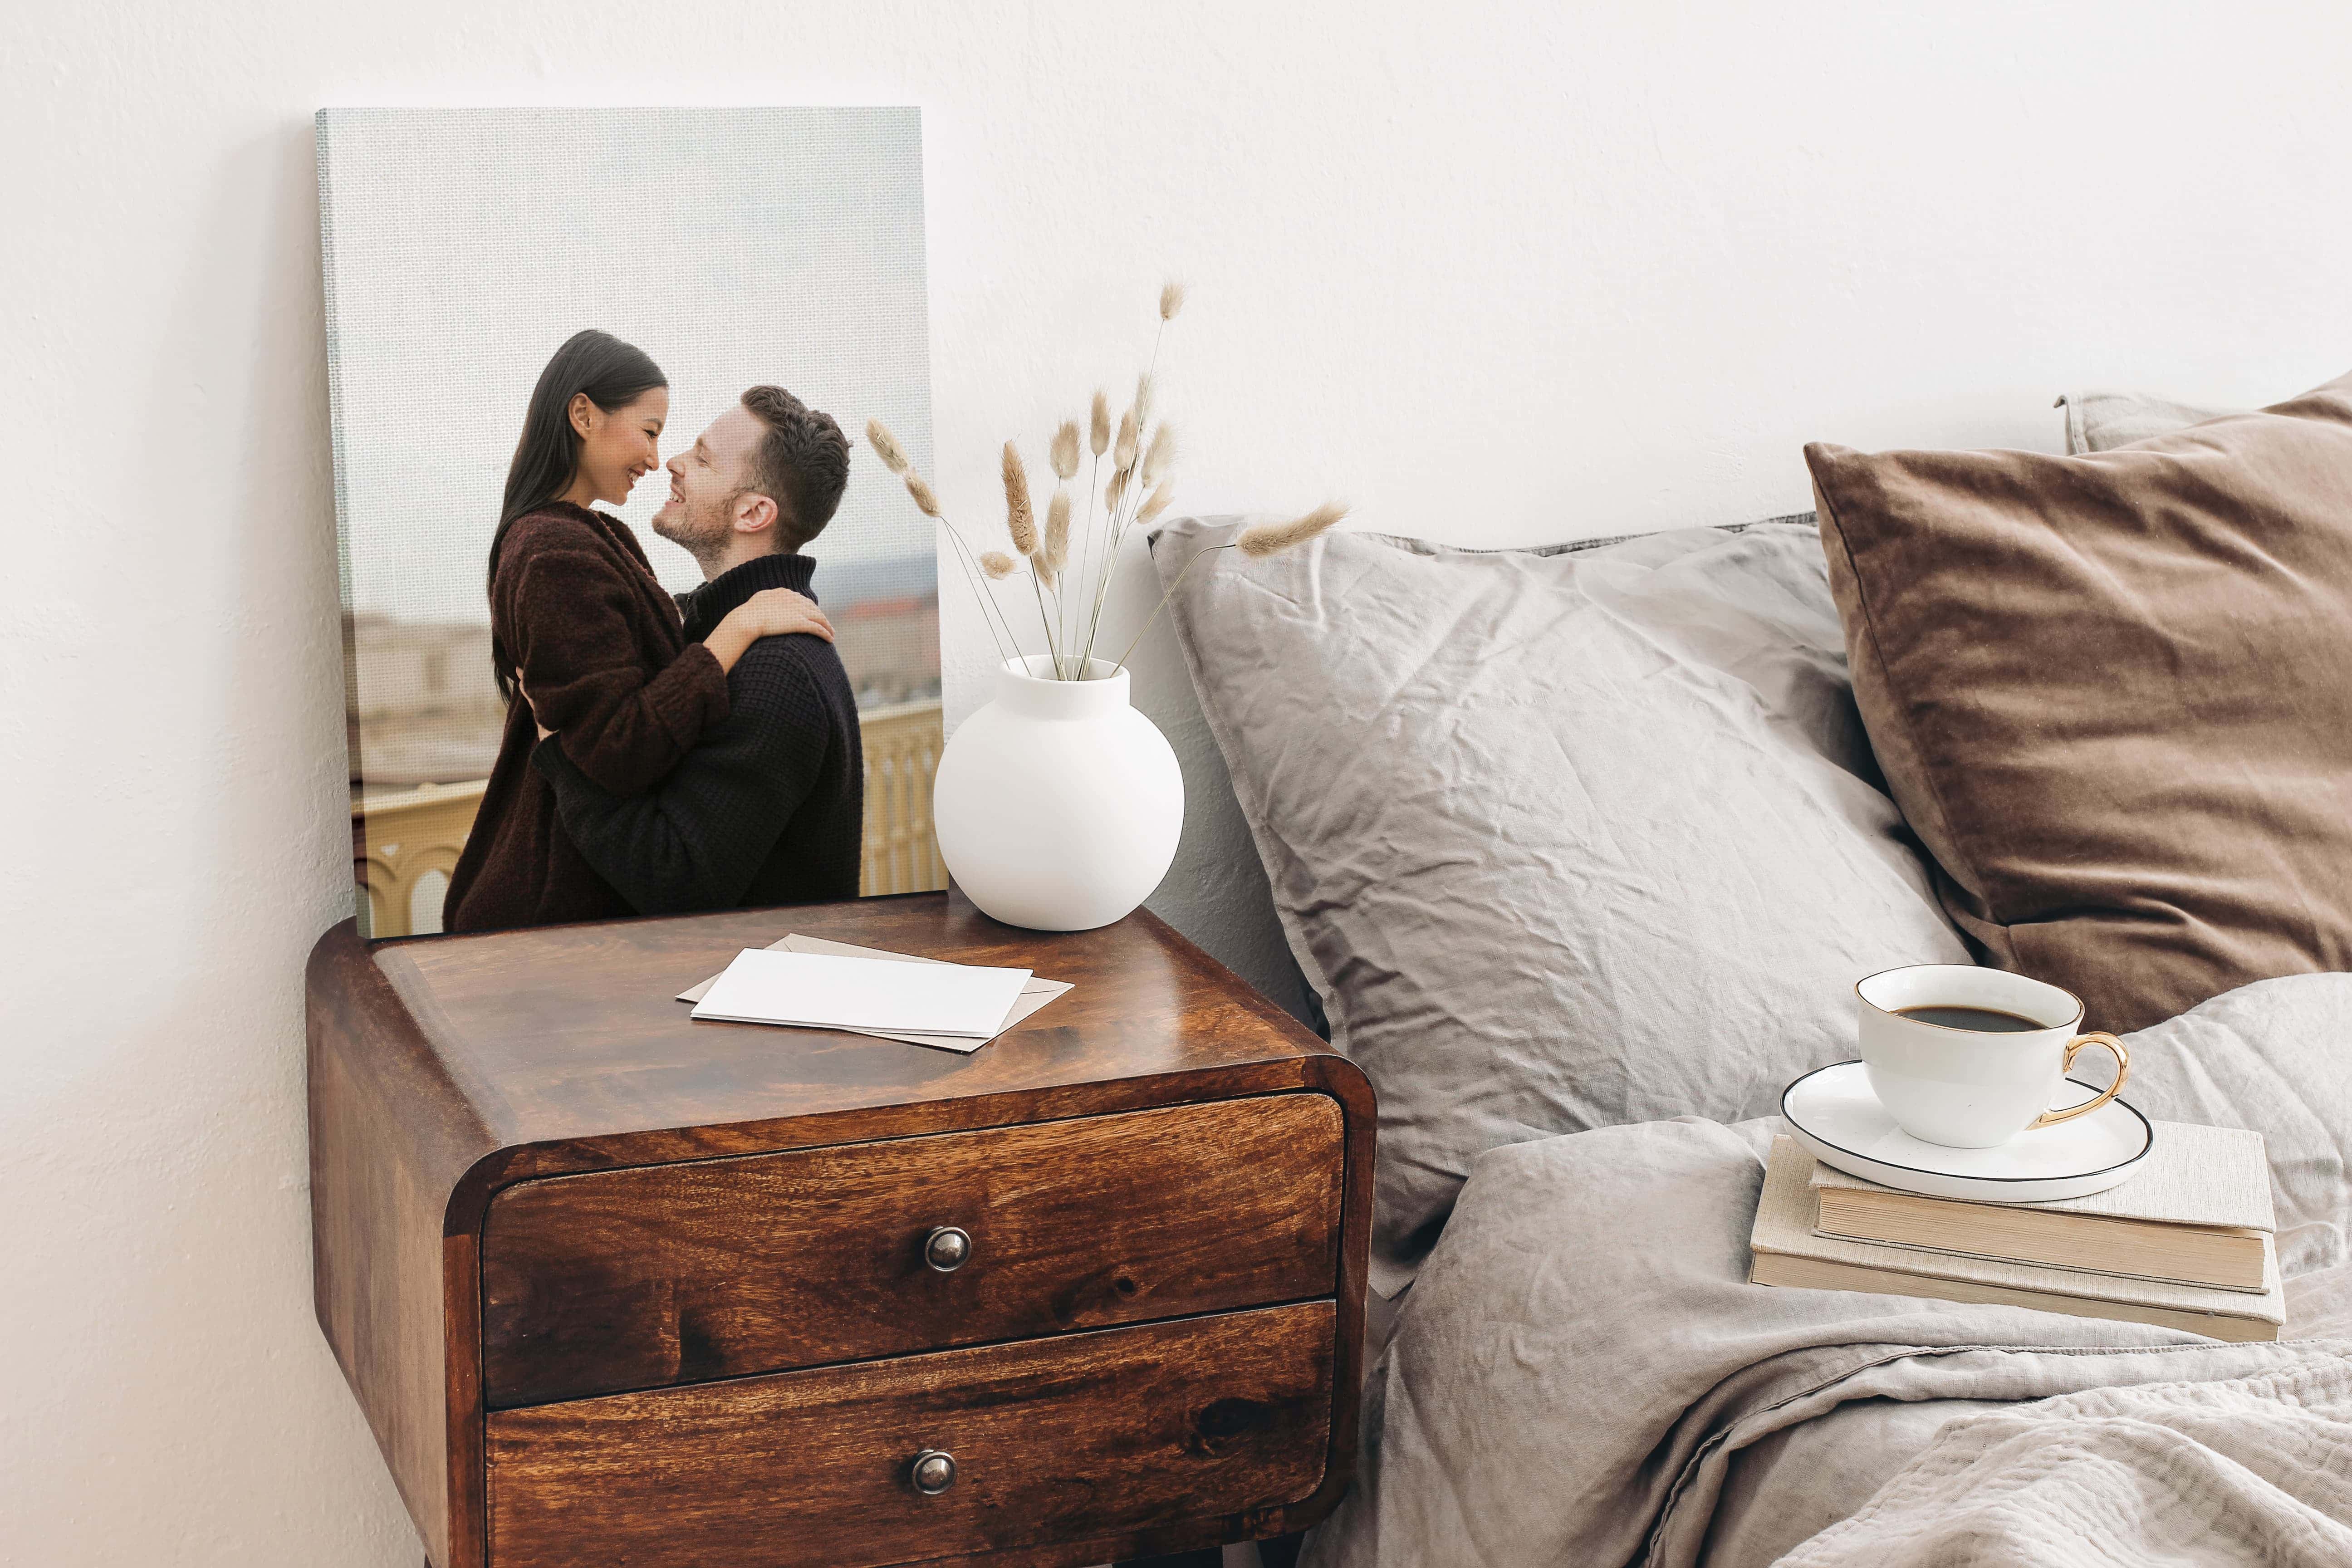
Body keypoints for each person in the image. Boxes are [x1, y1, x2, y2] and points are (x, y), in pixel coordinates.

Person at [443, 332, 833, 933]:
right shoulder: (550, 550)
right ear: (582, 416)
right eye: (651, 432)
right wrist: (738, 624)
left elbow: (642, 642)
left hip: (580, 923)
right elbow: (619, 746)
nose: (661, 460)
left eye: (696, 456)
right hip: (551, 919)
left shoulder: (600, 538)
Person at [531, 385, 866, 914]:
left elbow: (673, 877)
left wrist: (561, 752)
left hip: (753, 989)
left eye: (703, 459)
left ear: (754, 513)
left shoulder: (779, 673)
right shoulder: (720, 636)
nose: (672, 463)